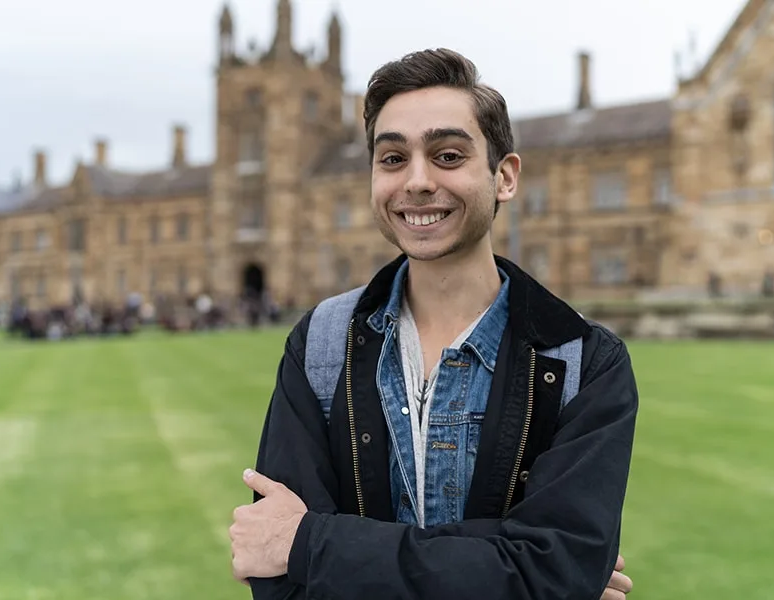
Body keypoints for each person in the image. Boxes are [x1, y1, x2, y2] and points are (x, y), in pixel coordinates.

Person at [230, 48, 638, 600]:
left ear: (505, 176)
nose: (417, 182)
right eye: (392, 159)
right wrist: (512, 564)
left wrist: (311, 544)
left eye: (447, 155)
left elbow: (551, 569)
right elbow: (279, 586)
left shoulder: (582, 363)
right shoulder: (321, 345)